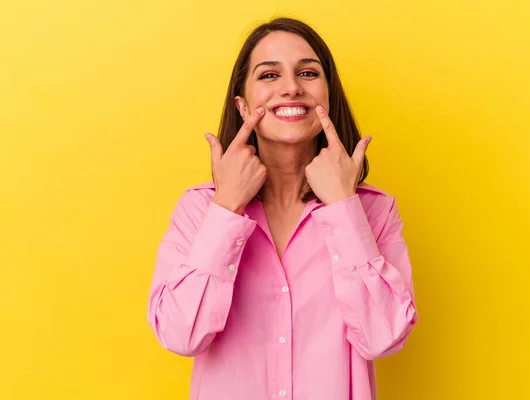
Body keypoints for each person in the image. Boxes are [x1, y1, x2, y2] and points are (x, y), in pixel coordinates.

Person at [147, 17, 418, 400]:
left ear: (328, 97)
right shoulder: (199, 210)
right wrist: (226, 208)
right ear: (242, 106)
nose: (291, 88)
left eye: (307, 73)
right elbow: (180, 335)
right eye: (269, 75)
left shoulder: (374, 212)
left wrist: (343, 207)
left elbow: (384, 338)